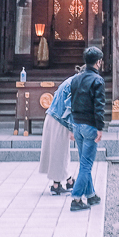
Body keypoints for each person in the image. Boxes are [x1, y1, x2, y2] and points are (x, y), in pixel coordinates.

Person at [68, 45, 107, 211]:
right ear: (98, 62)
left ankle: (90, 195)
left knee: (84, 161)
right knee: (86, 164)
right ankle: (76, 199)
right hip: (90, 124)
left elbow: (70, 103)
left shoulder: (75, 79)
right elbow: (99, 106)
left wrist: (71, 126)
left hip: (76, 123)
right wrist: (100, 127)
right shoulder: (98, 80)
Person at [39, 66, 81, 195]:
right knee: (59, 152)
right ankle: (56, 184)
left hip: (52, 117)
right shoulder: (75, 85)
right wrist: (73, 128)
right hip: (60, 120)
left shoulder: (69, 81)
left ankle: (67, 181)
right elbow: (71, 107)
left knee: (59, 152)